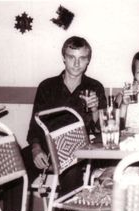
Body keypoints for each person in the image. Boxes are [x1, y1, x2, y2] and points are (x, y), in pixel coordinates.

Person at [26, 36, 107, 196]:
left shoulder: (95, 87)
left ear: (88, 61)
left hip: (79, 151)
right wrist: (36, 149)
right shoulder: (47, 86)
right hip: (46, 147)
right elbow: (35, 126)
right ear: (64, 58)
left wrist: (95, 110)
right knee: (16, 168)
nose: (76, 64)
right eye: (71, 57)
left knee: (71, 171)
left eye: (82, 58)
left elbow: (102, 131)